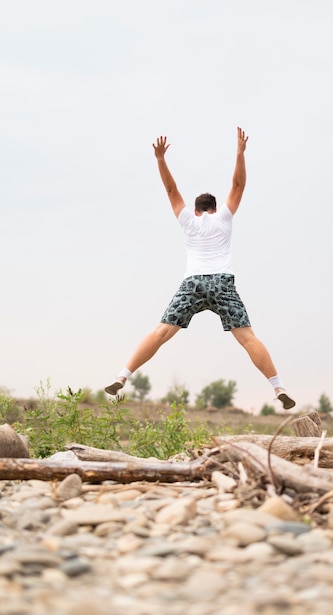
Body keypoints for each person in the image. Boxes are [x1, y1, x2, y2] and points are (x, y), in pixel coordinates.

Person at [105, 127, 295, 410]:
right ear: (215, 209)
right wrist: (240, 153)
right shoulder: (224, 218)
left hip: (192, 283)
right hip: (222, 283)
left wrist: (160, 159)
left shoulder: (187, 221)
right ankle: (277, 386)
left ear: (195, 210)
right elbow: (238, 186)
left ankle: (123, 375)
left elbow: (171, 190)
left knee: (161, 333)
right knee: (247, 338)